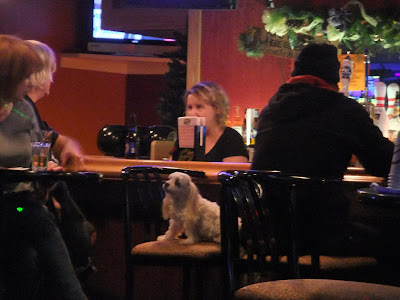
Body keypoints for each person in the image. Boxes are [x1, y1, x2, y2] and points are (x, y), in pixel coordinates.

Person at [252, 43, 394, 260]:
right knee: (390, 240)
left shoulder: (270, 110)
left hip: (266, 238)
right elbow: (382, 163)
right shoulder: (344, 110)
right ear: (333, 77)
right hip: (320, 239)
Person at [0, 34, 88, 299]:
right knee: (36, 221)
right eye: (24, 75)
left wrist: (59, 157)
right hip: (14, 207)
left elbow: (42, 144)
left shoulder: (24, 108)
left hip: (17, 202)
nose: (29, 81)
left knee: (24, 256)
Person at [24, 39, 96, 279]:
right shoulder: (21, 107)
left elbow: (46, 136)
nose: (52, 80)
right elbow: (37, 156)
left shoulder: (24, 108)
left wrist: (65, 144)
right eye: (52, 73)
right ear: (40, 74)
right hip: (24, 207)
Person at [171, 81, 248, 162]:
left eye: (199, 107)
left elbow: (232, 172)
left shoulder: (231, 138)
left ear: (217, 109)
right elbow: (171, 168)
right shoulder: (186, 138)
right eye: (189, 107)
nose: (192, 113)